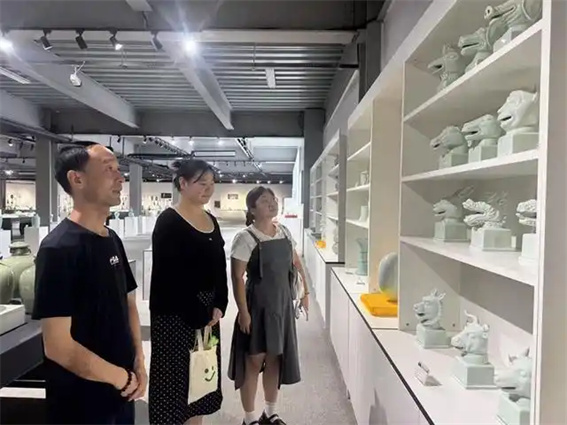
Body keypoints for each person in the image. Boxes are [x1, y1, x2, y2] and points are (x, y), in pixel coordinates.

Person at [33, 143, 146, 424]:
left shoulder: (111, 238)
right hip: (81, 402)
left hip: (121, 392)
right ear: (77, 179)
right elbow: (58, 345)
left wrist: (139, 361)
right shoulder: (58, 249)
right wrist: (120, 378)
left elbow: (128, 302)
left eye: (118, 169)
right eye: (109, 169)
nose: (120, 178)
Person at [148, 159, 228, 425]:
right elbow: (168, 276)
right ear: (182, 183)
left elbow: (220, 265)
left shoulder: (210, 220)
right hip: (175, 315)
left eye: (212, 183)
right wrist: (199, 312)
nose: (208, 189)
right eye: (201, 183)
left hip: (207, 312)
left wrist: (220, 302)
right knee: (176, 382)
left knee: (201, 376)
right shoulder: (169, 221)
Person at [228, 186, 309, 425]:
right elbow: (237, 277)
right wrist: (243, 312)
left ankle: (270, 412)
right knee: (254, 360)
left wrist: (305, 293)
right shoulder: (245, 237)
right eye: (265, 200)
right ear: (252, 209)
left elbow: (296, 262)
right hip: (257, 305)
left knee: (276, 357)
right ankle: (249, 418)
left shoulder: (283, 231)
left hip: (281, 305)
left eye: (273, 199)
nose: (272, 203)